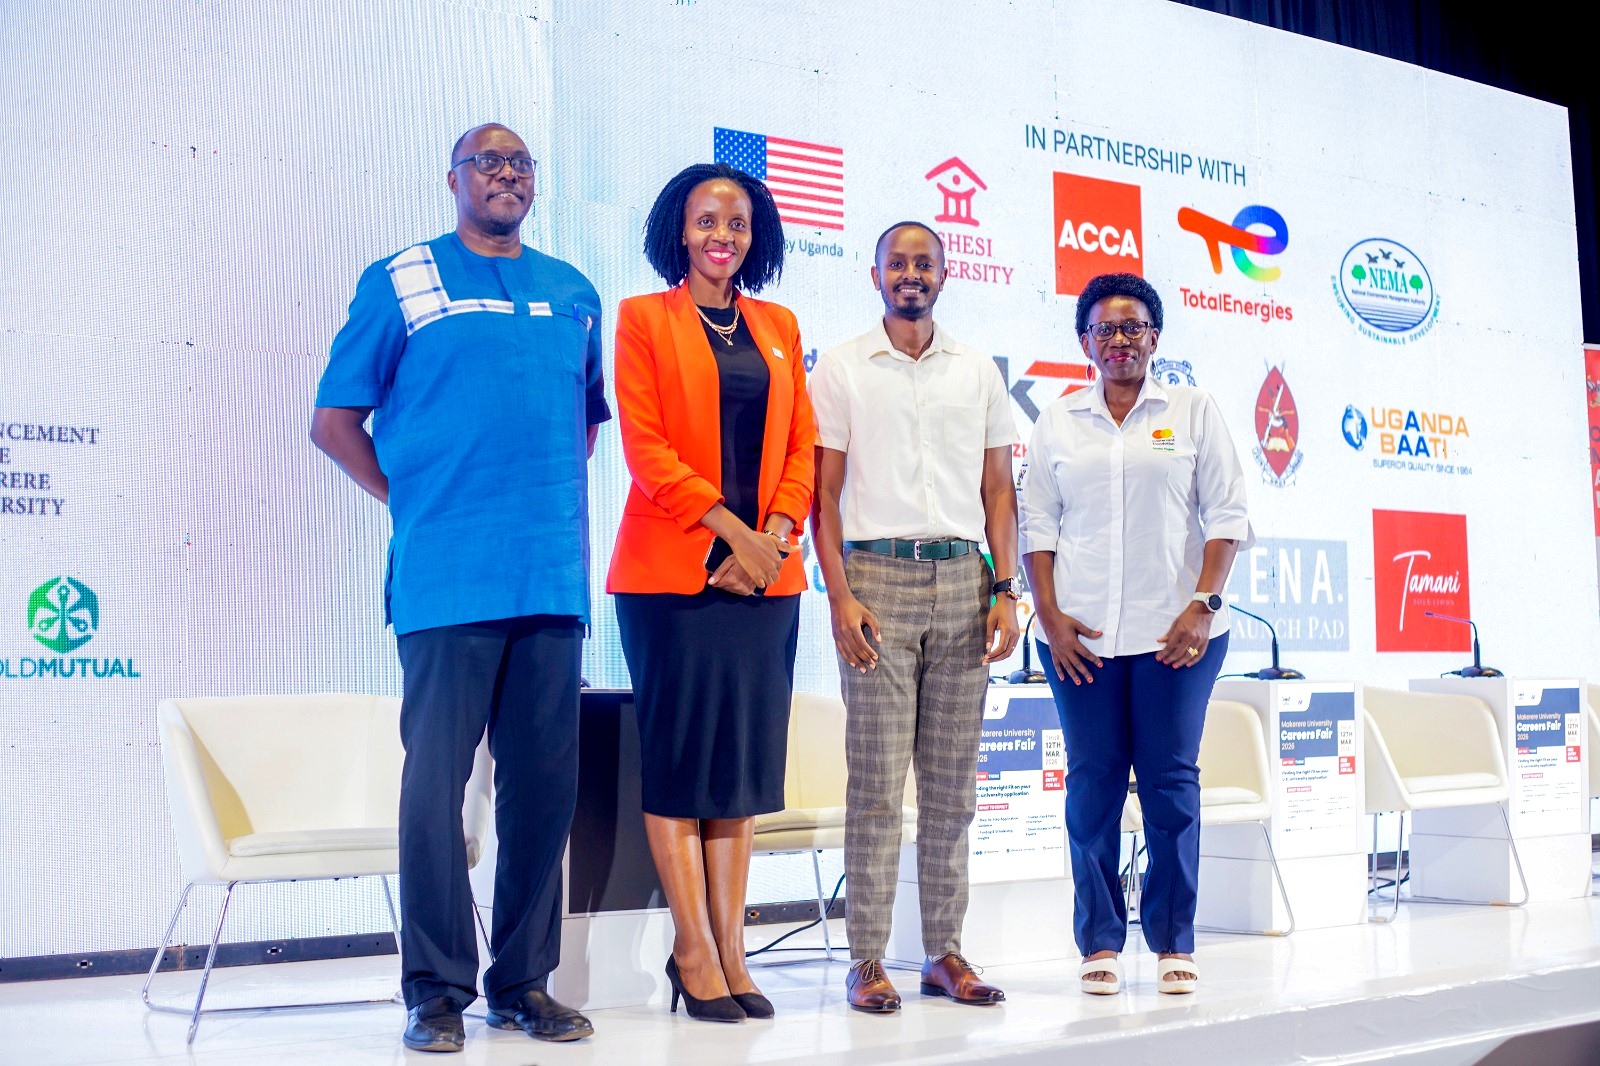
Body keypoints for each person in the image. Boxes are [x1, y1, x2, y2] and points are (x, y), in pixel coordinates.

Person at [310, 123, 606, 1052]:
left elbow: (582, 425)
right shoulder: (400, 279)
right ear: (454, 179)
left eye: (520, 164)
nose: (506, 175)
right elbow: (332, 422)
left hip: (549, 579)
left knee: (543, 792)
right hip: (446, 578)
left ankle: (522, 984)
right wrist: (416, 500)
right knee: (434, 791)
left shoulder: (574, 291)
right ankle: (434, 992)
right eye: (488, 162)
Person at [607, 162, 815, 1023]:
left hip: (766, 580)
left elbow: (802, 446)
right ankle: (691, 949)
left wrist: (774, 539)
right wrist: (735, 533)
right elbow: (647, 451)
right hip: (672, 575)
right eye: (706, 221)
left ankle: (733, 950)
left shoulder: (778, 326)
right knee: (683, 764)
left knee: (740, 772)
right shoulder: (643, 319)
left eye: (736, 223)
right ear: (679, 230)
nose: (721, 236)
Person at [1019, 272, 1251, 996]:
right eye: (1104, 329)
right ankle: (1099, 940)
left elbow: (1228, 514)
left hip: (1177, 634)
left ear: (1155, 337)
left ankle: (1174, 940)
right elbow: (1037, 525)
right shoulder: (1058, 421)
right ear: (1084, 341)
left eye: (1133, 327)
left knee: (1169, 784)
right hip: (1079, 637)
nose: (1119, 340)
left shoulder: (1193, 410)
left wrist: (1204, 604)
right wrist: (1048, 616)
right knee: (1092, 784)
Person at [809, 221, 1019, 1014]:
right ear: (875, 275)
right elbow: (823, 496)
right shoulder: (842, 367)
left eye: (923, 262)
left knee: (952, 787)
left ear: (944, 273)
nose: (910, 274)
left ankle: (944, 952)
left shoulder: (978, 370)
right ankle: (866, 958)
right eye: (896, 262)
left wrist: (1005, 589)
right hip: (875, 580)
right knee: (875, 784)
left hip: (965, 579)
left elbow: (999, 491)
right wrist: (839, 594)